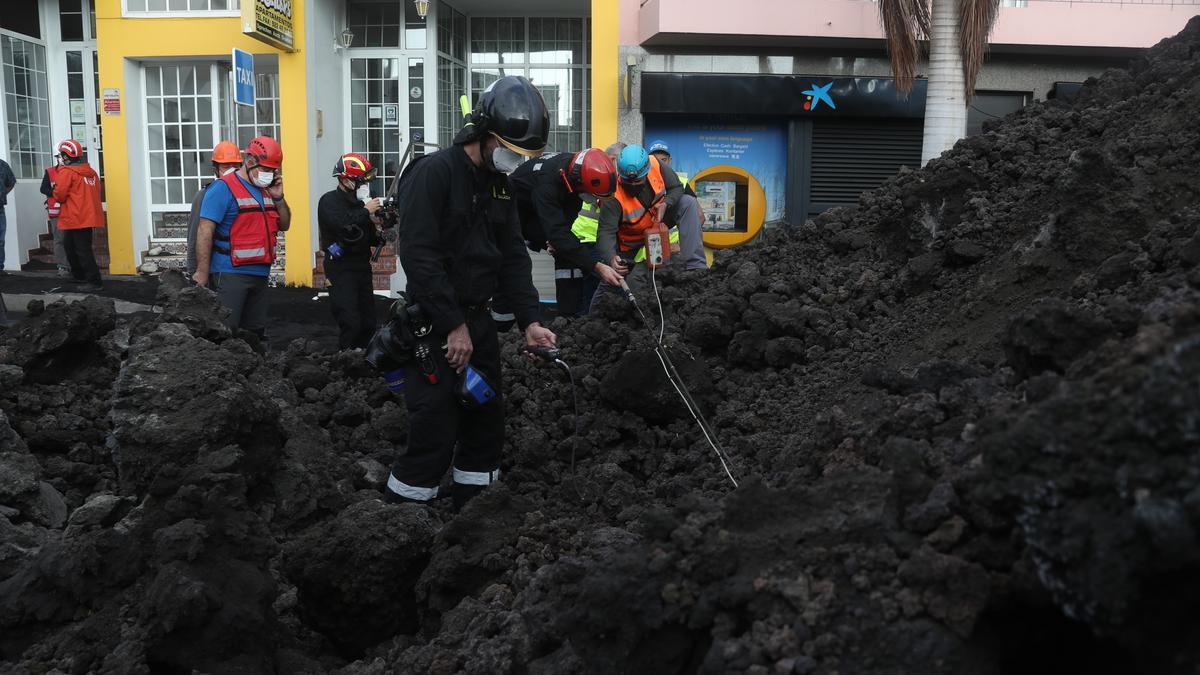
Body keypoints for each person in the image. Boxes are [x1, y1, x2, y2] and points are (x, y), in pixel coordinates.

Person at [383, 75, 557, 510]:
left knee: (485, 420)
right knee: (436, 426)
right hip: (435, 325)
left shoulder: (499, 186)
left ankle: (473, 517)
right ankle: (402, 519)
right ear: (482, 134)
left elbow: (513, 258)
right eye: (510, 150)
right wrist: (452, 325)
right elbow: (420, 257)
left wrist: (530, 322)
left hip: (477, 325)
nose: (515, 161)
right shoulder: (433, 174)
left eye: (524, 155)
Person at [191, 135, 291, 340]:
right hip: (229, 273)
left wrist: (279, 198)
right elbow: (204, 231)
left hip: (260, 274)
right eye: (265, 170)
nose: (269, 174)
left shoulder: (267, 190)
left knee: (254, 334)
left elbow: (285, 225)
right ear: (250, 162)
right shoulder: (222, 188)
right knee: (225, 332)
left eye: (273, 171)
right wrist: (201, 272)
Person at [506, 147, 622, 317]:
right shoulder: (547, 183)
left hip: (537, 213)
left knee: (567, 254)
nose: (594, 200)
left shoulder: (572, 172)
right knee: (515, 268)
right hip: (512, 218)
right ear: (580, 183)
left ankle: (569, 319)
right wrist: (596, 266)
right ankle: (505, 325)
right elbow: (556, 230)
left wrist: (558, 241)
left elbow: (567, 215)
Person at [594, 144, 708, 296]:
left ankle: (696, 268)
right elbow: (605, 232)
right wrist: (610, 257)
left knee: (687, 202)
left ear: (646, 172)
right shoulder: (612, 196)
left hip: (657, 220)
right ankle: (595, 314)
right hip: (629, 241)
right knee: (613, 282)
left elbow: (676, 188)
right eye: (628, 182)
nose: (633, 185)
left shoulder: (655, 164)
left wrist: (667, 203)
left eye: (637, 181)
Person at [318, 152, 383, 350]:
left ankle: (364, 364)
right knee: (351, 322)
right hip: (340, 268)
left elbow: (370, 236)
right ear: (345, 180)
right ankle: (345, 364)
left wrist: (381, 227)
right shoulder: (329, 201)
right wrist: (366, 211)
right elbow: (342, 224)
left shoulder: (360, 204)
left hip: (361, 267)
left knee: (368, 323)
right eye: (360, 181)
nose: (363, 185)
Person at [52, 140, 106, 291]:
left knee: (81, 250)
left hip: (75, 217)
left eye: (62, 155)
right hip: (87, 216)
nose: (61, 158)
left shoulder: (66, 172)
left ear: (66, 155)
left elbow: (59, 195)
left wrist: (54, 190)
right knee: (72, 247)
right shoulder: (91, 172)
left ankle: (94, 281)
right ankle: (80, 276)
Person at [186, 141, 244, 277]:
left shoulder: (248, 194)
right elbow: (194, 236)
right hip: (216, 270)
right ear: (215, 170)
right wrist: (194, 271)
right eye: (226, 166)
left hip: (244, 270)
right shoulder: (204, 196)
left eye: (235, 166)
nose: (231, 170)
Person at [39, 157, 70, 277]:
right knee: (60, 240)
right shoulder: (50, 172)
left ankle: (75, 266)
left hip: (72, 211)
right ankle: (63, 267)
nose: (62, 159)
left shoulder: (74, 171)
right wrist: (56, 193)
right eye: (60, 156)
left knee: (73, 239)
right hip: (56, 211)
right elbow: (43, 188)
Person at [0, 156, 14, 275]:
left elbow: (11, 182)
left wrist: (3, 193)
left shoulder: (2, 165)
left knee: (0, 240)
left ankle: (0, 268)